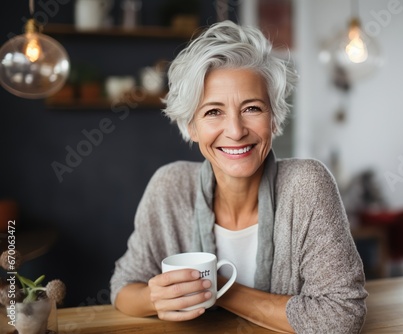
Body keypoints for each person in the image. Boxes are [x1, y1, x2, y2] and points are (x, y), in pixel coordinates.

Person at [110, 20, 367, 333]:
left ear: (274, 118)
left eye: (252, 108)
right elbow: (123, 289)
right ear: (191, 126)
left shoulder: (308, 185)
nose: (235, 131)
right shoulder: (169, 187)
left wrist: (218, 289)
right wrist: (156, 298)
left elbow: (341, 316)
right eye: (213, 112)